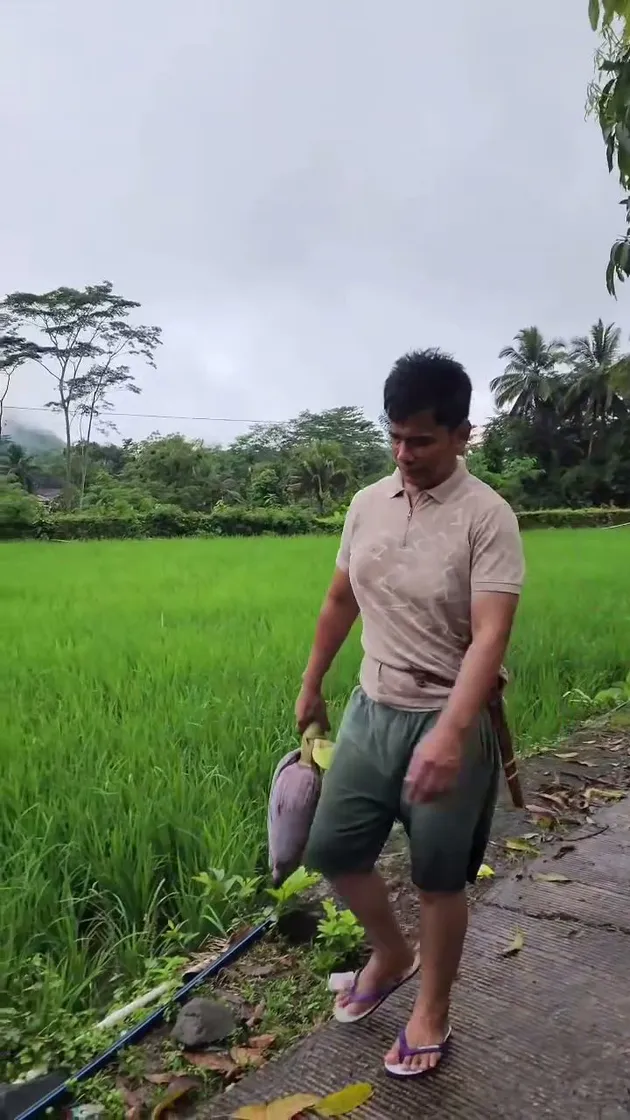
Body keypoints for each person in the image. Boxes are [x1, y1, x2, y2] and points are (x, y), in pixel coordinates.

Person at [295, 349, 525, 1080]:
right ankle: (391, 953)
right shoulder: (367, 504)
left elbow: (491, 634)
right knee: (332, 849)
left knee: (437, 877)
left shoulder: (487, 518)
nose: (404, 454)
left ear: (462, 434)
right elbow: (342, 599)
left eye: (421, 440)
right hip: (373, 703)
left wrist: (452, 735)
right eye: (393, 437)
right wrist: (313, 682)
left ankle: (432, 1007)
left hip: (445, 711)